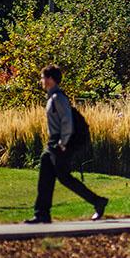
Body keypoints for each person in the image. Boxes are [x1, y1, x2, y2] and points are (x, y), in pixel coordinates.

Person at [26, 65, 109, 224]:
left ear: (50, 79)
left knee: (64, 177)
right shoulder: (52, 97)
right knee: (46, 176)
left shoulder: (58, 98)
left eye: (43, 77)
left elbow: (67, 122)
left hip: (60, 142)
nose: (41, 81)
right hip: (53, 142)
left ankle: (98, 201)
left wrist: (63, 143)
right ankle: (41, 213)